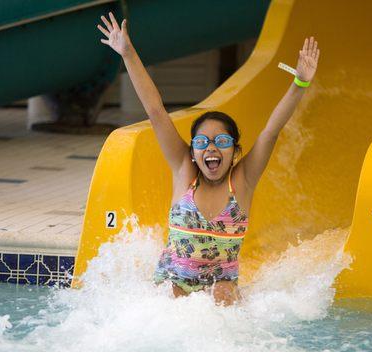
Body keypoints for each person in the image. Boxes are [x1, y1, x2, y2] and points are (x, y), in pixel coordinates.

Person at [97, 12, 320, 306]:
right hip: (174, 281)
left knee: (223, 293)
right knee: (171, 296)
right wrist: (128, 53)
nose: (211, 148)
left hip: (221, 287)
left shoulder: (242, 181)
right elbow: (155, 111)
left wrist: (299, 83)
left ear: (234, 151)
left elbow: (271, 131)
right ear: (192, 152)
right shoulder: (183, 171)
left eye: (222, 142)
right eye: (202, 142)